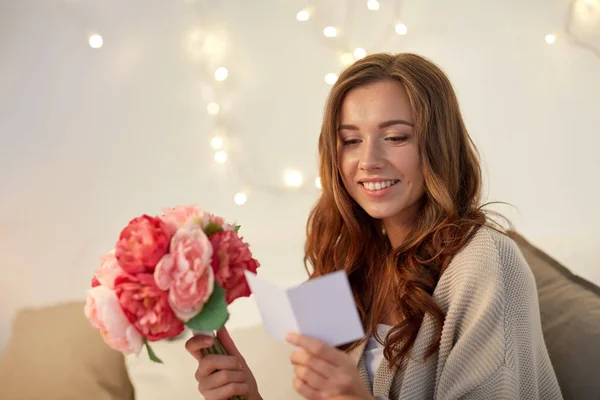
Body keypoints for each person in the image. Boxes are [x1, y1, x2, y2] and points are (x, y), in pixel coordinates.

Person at [185, 53, 563, 400]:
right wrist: (248, 396)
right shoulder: (342, 263)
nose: (368, 160)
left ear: (438, 144)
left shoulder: (485, 261)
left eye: (396, 137)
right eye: (351, 140)